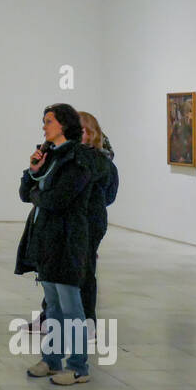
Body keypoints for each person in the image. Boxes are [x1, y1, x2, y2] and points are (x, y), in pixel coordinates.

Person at [14, 103, 93, 385]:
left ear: (63, 125)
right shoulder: (49, 155)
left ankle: (78, 367)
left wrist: (38, 194)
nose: (44, 126)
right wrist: (33, 170)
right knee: (54, 308)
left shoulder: (78, 159)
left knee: (72, 307)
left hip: (68, 240)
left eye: (48, 121)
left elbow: (57, 200)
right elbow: (26, 192)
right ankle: (51, 360)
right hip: (46, 239)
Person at [78, 111, 118, 322]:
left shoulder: (103, 162)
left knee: (84, 272)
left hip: (90, 222)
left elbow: (109, 195)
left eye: (80, 130)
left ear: (91, 133)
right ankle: (51, 316)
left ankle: (87, 321)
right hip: (78, 221)